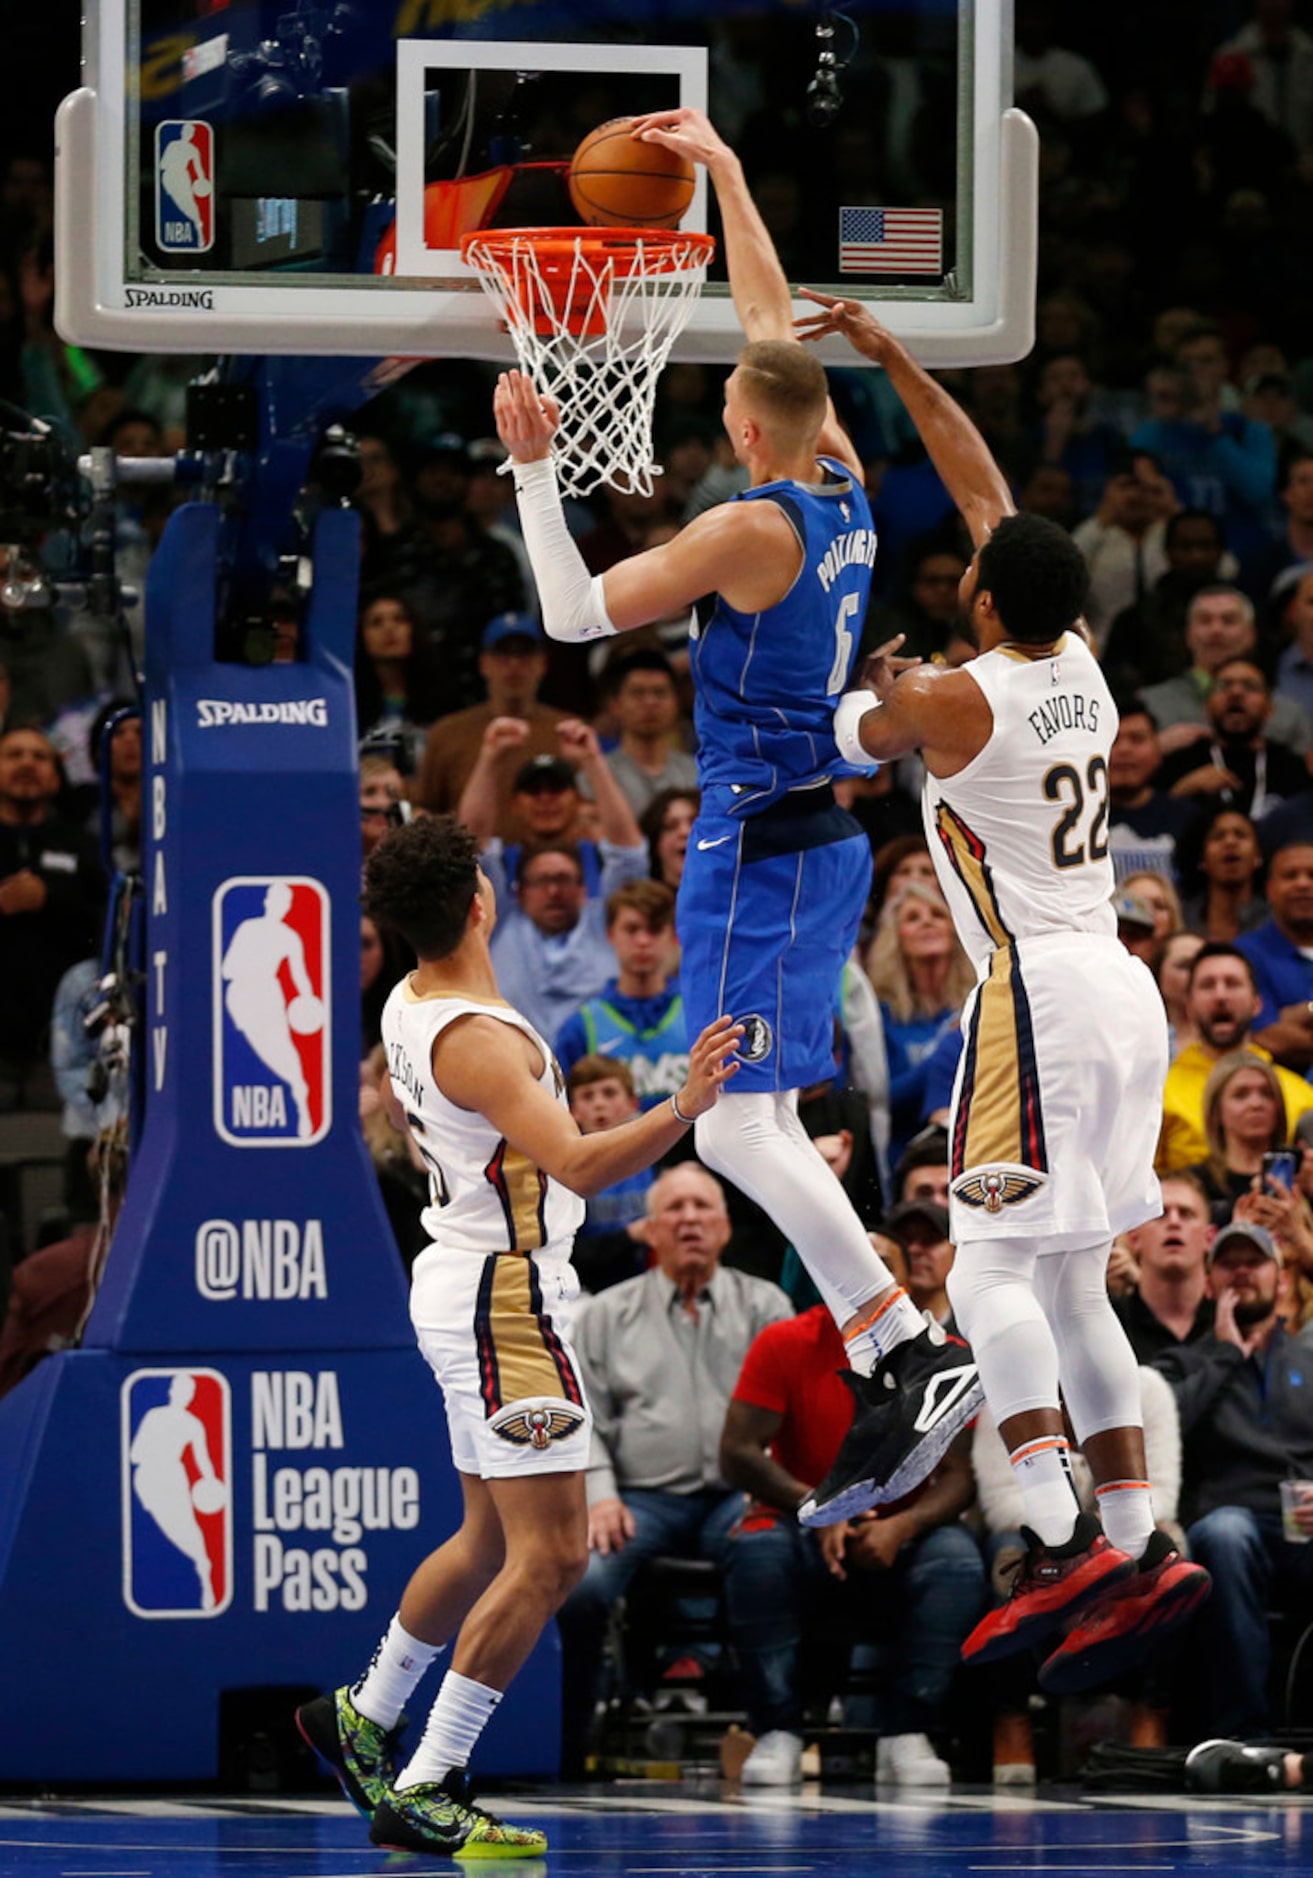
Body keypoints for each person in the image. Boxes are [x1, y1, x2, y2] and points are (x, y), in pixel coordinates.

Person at [493, 106, 980, 1522]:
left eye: (723, 406)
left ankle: (902, 1339)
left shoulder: (747, 527)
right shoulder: (838, 481)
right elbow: (771, 321)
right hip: (808, 840)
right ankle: (900, 1342)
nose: (716, 408)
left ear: (742, 426)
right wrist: (728, 177)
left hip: (758, 845)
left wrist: (535, 461)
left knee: (734, 1130)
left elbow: (573, 610)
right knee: (738, 1120)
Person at [805, 289, 1211, 1691]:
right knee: (1061, 1271)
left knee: (985, 1267)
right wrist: (891, 353)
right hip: (1121, 980)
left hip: (1032, 993)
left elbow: (849, 734)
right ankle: (1135, 1531)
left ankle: (1043, 1532)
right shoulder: (1081, 672)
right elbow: (988, 496)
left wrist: (882, 682)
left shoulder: (951, 697)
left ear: (979, 596)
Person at [295, 814, 742, 1856]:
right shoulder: (480, 1039)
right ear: (482, 904)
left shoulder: (409, 998)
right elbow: (582, 1166)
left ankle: (364, 1714)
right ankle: (429, 1776)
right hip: (508, 1295)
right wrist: (684, 1104)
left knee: (485, 1538)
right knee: (548, 1560)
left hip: (471, 1275)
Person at [556, 1162, 793, 1770]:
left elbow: (789, 1413)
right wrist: (600, 1494)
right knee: (581, 1586)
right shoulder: (604, 1314)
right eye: (675, 1209)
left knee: (769, 1554)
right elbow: (582, 1417)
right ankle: (569, 1738)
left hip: (736, 1497)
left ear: (725, 1228)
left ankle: (775, 1732)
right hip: (638, 1501)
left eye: (702, 1208)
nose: (689, 1219)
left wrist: (768, 1485)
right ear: (650, 1230)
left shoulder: (766, 1304)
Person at [719, 1297, 983, 1788]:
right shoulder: (784, 1340)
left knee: (958, 1563)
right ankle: (777, 1729)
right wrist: (821, 1505)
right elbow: (735, 1452)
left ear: (899, 1283)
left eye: (883, 1264)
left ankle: (909, 1732)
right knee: (754, 1550)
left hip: (902, 1529)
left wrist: (902, 1526)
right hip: (801, 1518)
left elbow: (959, 1476)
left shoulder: (942, 1352)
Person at [1152, 1217, 1313, 1739]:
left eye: (1255, 1262)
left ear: (1282, 1280)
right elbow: (1162, 1426)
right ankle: (1242, 1739)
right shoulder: (1185, 1361)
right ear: (1210, 1280)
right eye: (1229, 1263)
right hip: (1230, 1523)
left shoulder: (1309, 1361)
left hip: (1304, 1525)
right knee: (1226, 1534)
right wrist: (1224, 1357)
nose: (1242, 1273)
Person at [1157, 943, 1313, 1174]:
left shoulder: (1301, 1095)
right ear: (1189, 1006)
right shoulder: (1159, 1095)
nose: (1221, 995)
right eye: (1208, 985)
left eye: (1233, 983)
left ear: (1257, 1004)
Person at [411, 614, 571, 832]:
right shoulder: (446, 733)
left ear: (542, 663)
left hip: (553, 862)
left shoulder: (569, 731)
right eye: (503, 654)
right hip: (469, 860)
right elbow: (423, 808)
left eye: (524, 654)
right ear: (484, 663)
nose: (514, 664)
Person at [554, 879, 688, 1111]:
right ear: (610, 934)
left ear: (674, 936)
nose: (643, 941)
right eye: (632, 929)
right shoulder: (581, 1028)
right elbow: (561, 1115)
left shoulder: (700, 1016)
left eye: (654, 930)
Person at [1154, 657, 1309, 819]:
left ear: (1269, 708)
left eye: (1250, 687)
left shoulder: (1292, 769)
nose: (1236, 693)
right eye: (1224, 686)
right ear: (1207, 706)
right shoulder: (1179, 764)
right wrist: (1182, 792)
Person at [1115, 1170, 1216, 1362]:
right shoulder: (1110, 1327)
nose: (1174, 1222)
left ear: (1209, 1238)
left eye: (1186, 1214)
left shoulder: (1235, 1325)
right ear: (1134, 1238)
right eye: (1160, 1214)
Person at [1188, 1049, 1291, 1224]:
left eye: (1266, 1094)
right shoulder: (1196, 1185)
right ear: (1217, 1111)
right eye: (1241, 1095)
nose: (1256, 1104)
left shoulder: (1299, 1181)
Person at [599, 648, 699, 816]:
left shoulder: (696, 774)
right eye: (638, 693)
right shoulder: (596, 777)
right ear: (614, 704)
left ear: (676, 703)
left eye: (660, 693)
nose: (650, 702)